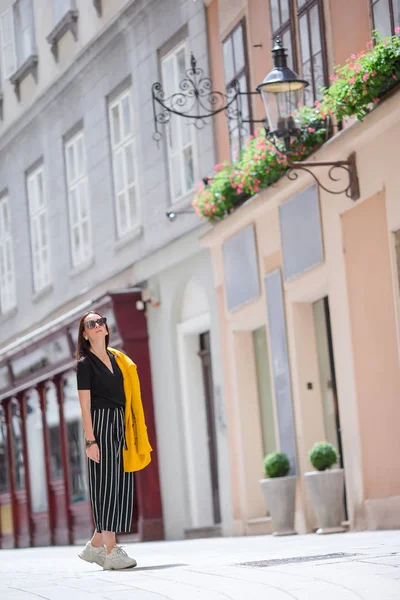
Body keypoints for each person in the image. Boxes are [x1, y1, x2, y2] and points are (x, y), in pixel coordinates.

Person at [75, 311, 152, 570]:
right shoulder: (84, 364)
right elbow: (85, 407)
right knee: (106, 485)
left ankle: (95, 546)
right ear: (84, 333)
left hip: (121, 422)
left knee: (121, 483)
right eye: (91, 324)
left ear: (106, 328)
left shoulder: (118, 359)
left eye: (101, 321)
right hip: (100, 423)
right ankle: (111, 551)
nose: (98, 326)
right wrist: (90, 441)